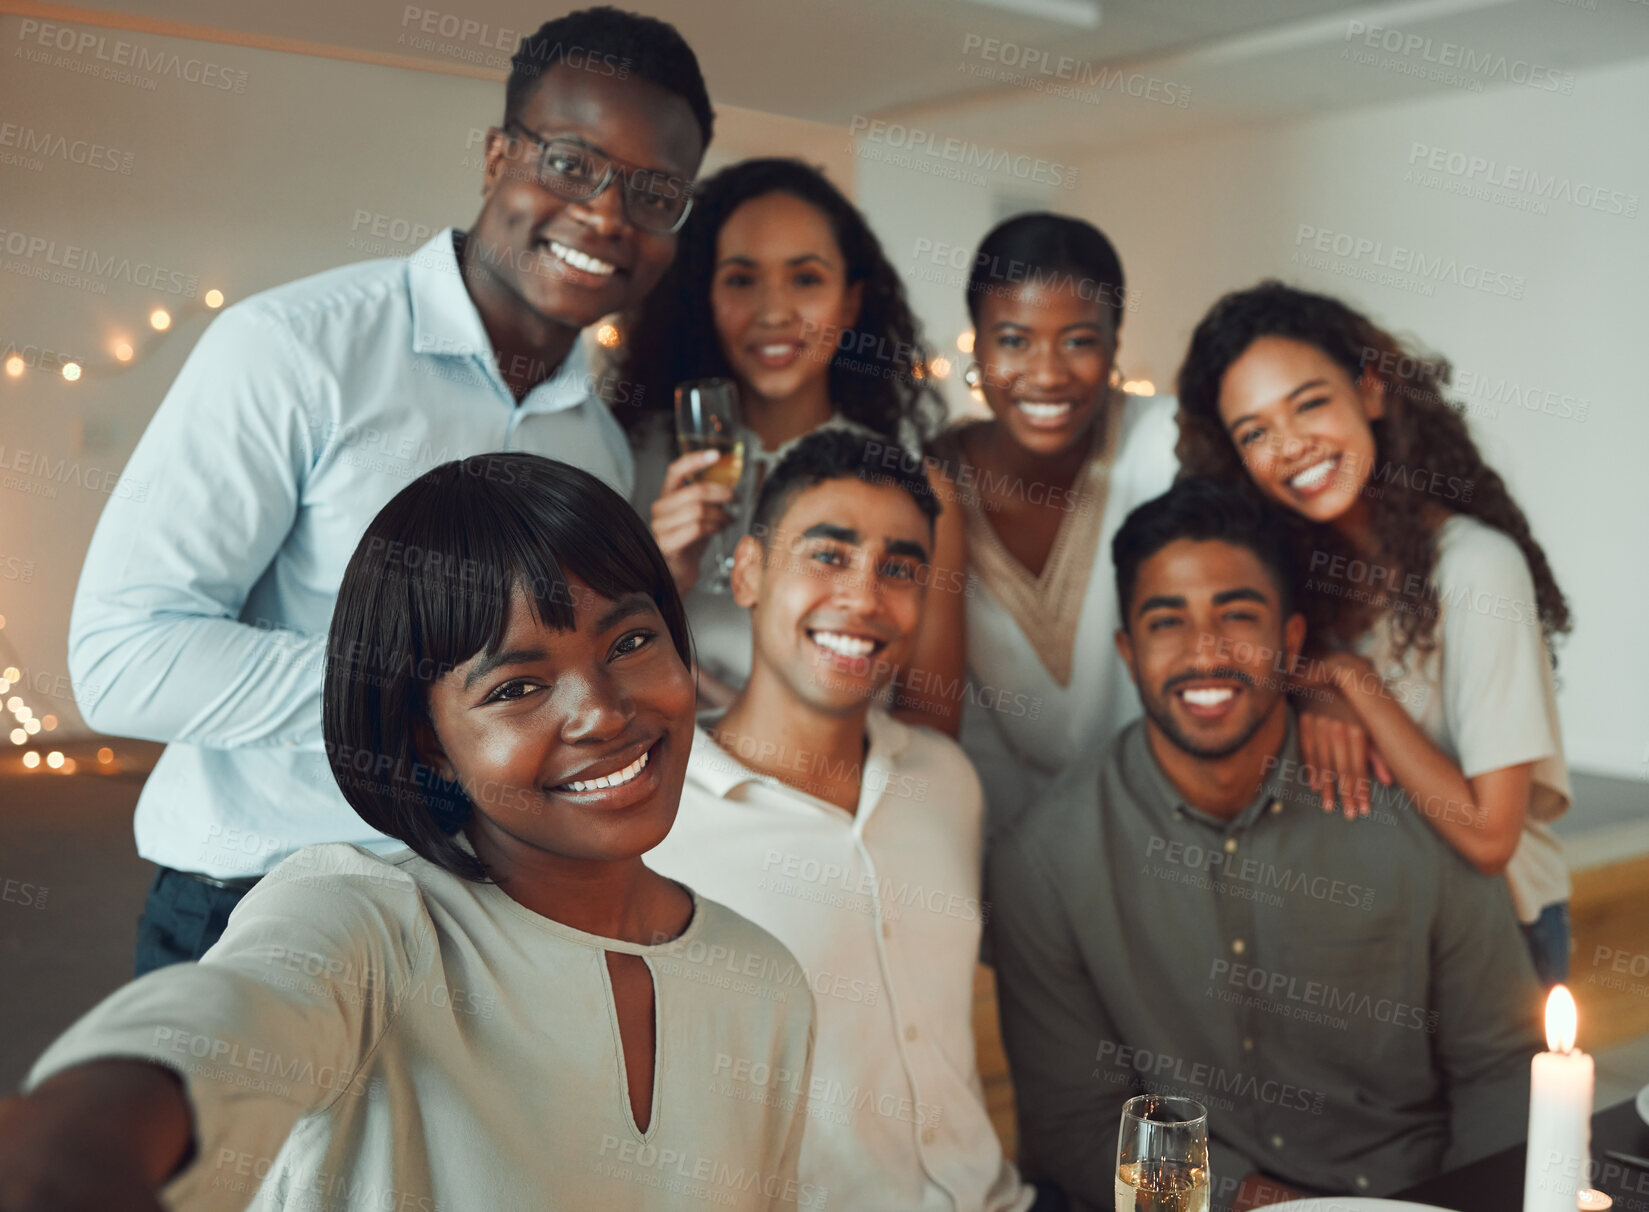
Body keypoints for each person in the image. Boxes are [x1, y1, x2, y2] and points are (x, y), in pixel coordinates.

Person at [66, 8, 715, 973]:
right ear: (499, 155)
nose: (608, 215)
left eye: (654, 192)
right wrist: (426, 701)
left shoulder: (594, 439)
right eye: (572, 164)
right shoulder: (292, 350)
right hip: (262, 905)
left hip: (487, 923)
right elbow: (123, 657)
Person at [0, 454, 817, 1210]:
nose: (602, 712)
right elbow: (233, 1014)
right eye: (517, 687)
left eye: (632, 643)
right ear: (428, 740)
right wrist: (80, 1134)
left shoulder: (764, 981)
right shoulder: (366, 922)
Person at [987, 478, 1542, 1212]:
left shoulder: (1409, 814)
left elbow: (1500, 1065)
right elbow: (1078, 1124)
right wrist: (1251, 1203)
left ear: (1290, 641)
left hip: (1416, 1195)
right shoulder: (1046, 858)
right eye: (1166, 622)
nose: (1205, 652)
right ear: (1127, 651)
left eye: (1236, 615)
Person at [645, 428, 1043, 1212]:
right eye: (828, 555)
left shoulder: (946, 781)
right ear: (751, 572)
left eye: (898, 569)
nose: (864, 598)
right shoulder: (660, 824)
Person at [1175, 280, 1574, 984]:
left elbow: (1488, 839)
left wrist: (1353, 684)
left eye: (1309, 404)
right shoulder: (1288, 575)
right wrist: (1315, 685)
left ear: (1370, 391)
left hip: (1500, 934)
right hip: (1373, 935)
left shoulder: (1477, 569)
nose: (1291, 446)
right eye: (1255, 433)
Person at [621, 157, 964, 730]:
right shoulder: (628, 461)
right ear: (704, 298)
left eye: (806, 279)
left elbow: (930, 721)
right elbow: (578, 671)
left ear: (851, 303)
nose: (774, 312)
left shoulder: (918, 493)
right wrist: (662, 577)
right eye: (741, 279)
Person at [925, 213, 1178, 840]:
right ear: (977, 346)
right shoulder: (926, 483)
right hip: (992, 839)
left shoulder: (1168, 444)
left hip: (1166, 823)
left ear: (1115, 345)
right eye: (1014, 340)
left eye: (1078, 341)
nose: (1046, 374)